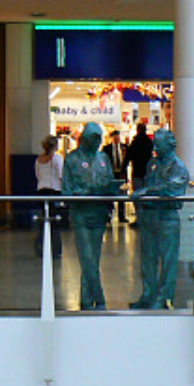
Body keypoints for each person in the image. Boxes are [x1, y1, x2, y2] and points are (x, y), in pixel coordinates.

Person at [63, 122, 123, 310]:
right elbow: (66, 191)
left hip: (99, 213)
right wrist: (85, 192)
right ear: (85, 139)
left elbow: (109, 182)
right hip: (81, 214)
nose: (97, 143)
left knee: (93, 259)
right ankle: (100, 298)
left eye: (99, 140)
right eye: (93, 140)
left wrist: (112, 191)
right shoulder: (71, 159)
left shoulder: (103, 158)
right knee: (87, 257)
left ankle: (87, 301)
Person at [130, 129, 189, 310]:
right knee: (148, 258)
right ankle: (148, 295)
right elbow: (149, 183)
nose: (155, 147)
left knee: (168, 260)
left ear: (169, 145)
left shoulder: (178, 167)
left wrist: (147, 191)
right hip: (150, 216)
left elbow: (172, 190)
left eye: (158, 144)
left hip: (167, 217)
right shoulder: (152, 163)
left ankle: (164, 297)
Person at [34, 135, 64, 259]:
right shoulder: (57, 158)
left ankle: (40, 246)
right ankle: (56, 249)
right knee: (55, 221)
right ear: (55, 146)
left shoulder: (38, 160)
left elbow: (38, 175)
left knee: (43, 218)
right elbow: (61, 175)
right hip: (54, 190)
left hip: (41, 190)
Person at [122, 123, 154, 229]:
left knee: (137, 196)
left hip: (137, 172)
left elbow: (128, 156)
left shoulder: (135, 142)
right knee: (147, 197)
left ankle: (139, 219)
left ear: (138, 130)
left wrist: (123, 169)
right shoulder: (149, 142)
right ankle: (147, 218)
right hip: (147, 173)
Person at [103, 130, 129, 223]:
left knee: (122, 194)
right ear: (112, 138)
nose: (117, 138)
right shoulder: (107, 149)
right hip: (111, 174)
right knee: (110, 195)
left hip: (121, 174)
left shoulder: (124, 147)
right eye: (115, 137)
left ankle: (122, 215)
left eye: (118, 137)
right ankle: (109, 214)